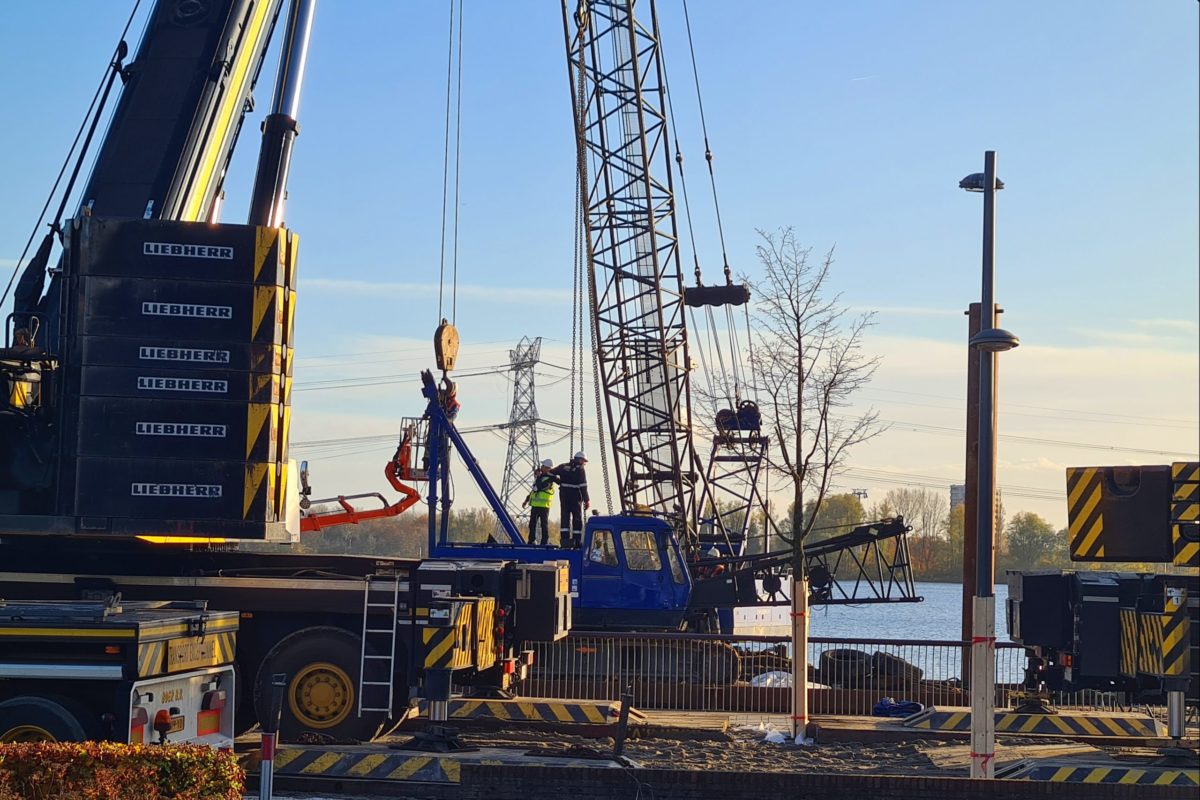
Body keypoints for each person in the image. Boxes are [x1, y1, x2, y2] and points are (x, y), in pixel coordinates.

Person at [553, 451, 589, 548]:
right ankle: (576, 542)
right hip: (575, 497)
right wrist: (587, 500)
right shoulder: (580, 469)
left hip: (564, 496)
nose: (584, 463)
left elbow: (550, 473)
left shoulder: (563, 467)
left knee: (565, 517)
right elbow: (583, 486)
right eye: (584, 461)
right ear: (580, 460)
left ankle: (565, 541)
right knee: (577, 519)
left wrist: (559, 481)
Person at [521, 459, 560, 546]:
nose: (541, 468)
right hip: (535, 505)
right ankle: (531, 540)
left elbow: (541, 487)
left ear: (547, 468)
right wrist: (526, 500)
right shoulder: (540, 478)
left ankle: (544, 541)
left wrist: (538, 479)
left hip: (544, 506)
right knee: (532, 524)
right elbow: (533, 491)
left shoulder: (549, 479)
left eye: (543, 466)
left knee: (544, 524)